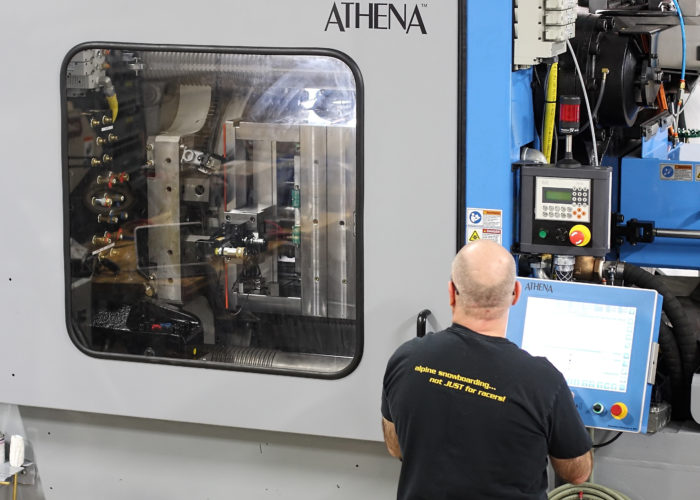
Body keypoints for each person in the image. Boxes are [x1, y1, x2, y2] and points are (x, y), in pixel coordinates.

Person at [381, 240, 592, 499]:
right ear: (516, 293)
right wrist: (565, 413)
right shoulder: (544, 382)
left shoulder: (405, 359)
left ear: (451, 292)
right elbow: (577, 473)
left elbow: (395, 447)